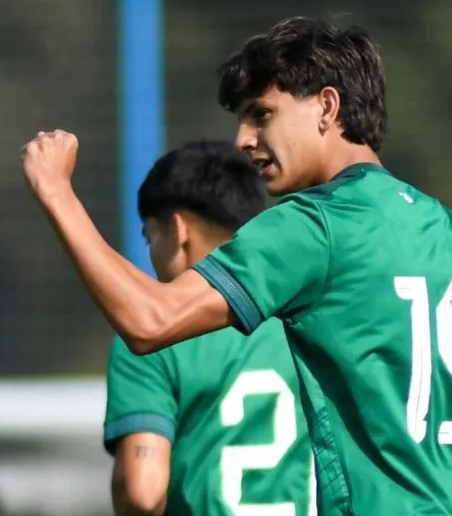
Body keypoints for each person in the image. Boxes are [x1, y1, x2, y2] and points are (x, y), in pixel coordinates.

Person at [21, 16, 452, 516]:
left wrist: (58, 194)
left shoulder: (313, 227)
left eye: (262, 114)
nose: (243, 140)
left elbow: (150, 321)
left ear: (327, 107)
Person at [103, 140, 315, 515]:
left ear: (178, 229)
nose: (151, 252)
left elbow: (143, 492)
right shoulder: (306, 324)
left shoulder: (149, 341)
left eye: (149, 236)